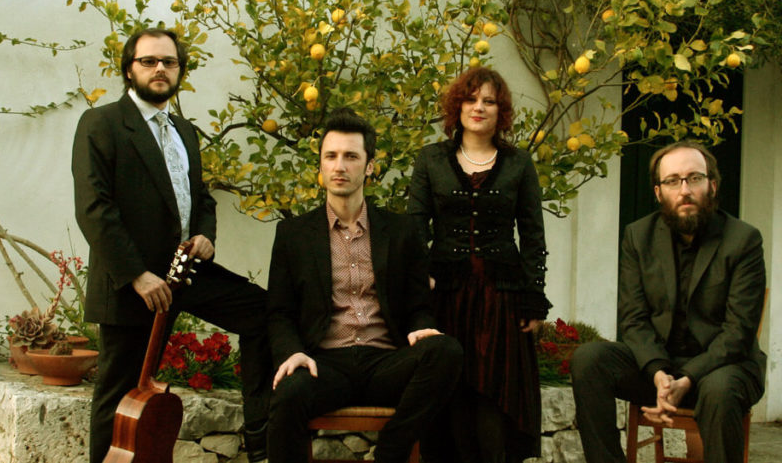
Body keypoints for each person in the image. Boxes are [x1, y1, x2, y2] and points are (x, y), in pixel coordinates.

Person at [72, 28, 271, 462]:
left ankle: (260, 442)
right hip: (133, 283)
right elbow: (93, 209)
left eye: (169, 62)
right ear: (129, 69)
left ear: (180, 70)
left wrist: (206, 235)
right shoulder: (101, 123)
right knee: (120, 397)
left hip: (185, 273)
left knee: (265, 314)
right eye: (149, 61)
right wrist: (137, 275)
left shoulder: (185, 130)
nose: (160, 68)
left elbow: (201, 197)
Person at [266, 107, 464, 463]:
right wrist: (291, 352)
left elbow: (419, 305)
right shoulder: (293, 234)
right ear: (321, 165)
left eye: (351, 156)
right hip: (325, 364)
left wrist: (422, 327)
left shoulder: (401, 231)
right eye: (331, 156)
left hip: (385, 363)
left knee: (446, 351)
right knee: (289, 390)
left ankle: (390, 452)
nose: (339, 166)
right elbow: (279, 311)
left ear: (370, 166)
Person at [571, 140, 766, 463]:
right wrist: (658, 373)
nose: (684, 190)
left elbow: (739, 332)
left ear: (713, 185)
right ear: (659, 192)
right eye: (673, 181)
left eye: (694, 178)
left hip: (723, 367)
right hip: (660, 365)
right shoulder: (638, 236)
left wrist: (687, 378)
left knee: (719, 391)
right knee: (589, 359)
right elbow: (633, 318)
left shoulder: (743, 239)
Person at [407, 67, 550, 463]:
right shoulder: (431, 159)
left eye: (489, 101)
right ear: (458, 105)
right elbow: (414, 227)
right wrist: (422, 279)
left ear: (500, 110)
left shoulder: (519, 163)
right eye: (471, 99)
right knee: (450, 394)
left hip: (501, 302)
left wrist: (533, 298)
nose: (479, 107)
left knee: (494, 398)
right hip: (446, 298)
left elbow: (533, 236)